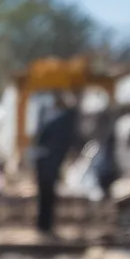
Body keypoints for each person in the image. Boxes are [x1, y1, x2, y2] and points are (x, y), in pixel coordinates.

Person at [32, 94, 80, 237]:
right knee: (47, 196)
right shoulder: (63, 121)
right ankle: (45, 225)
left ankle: (44, 225)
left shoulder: (53, 120)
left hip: (46, 164)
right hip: (49, 164)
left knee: (46, 196)